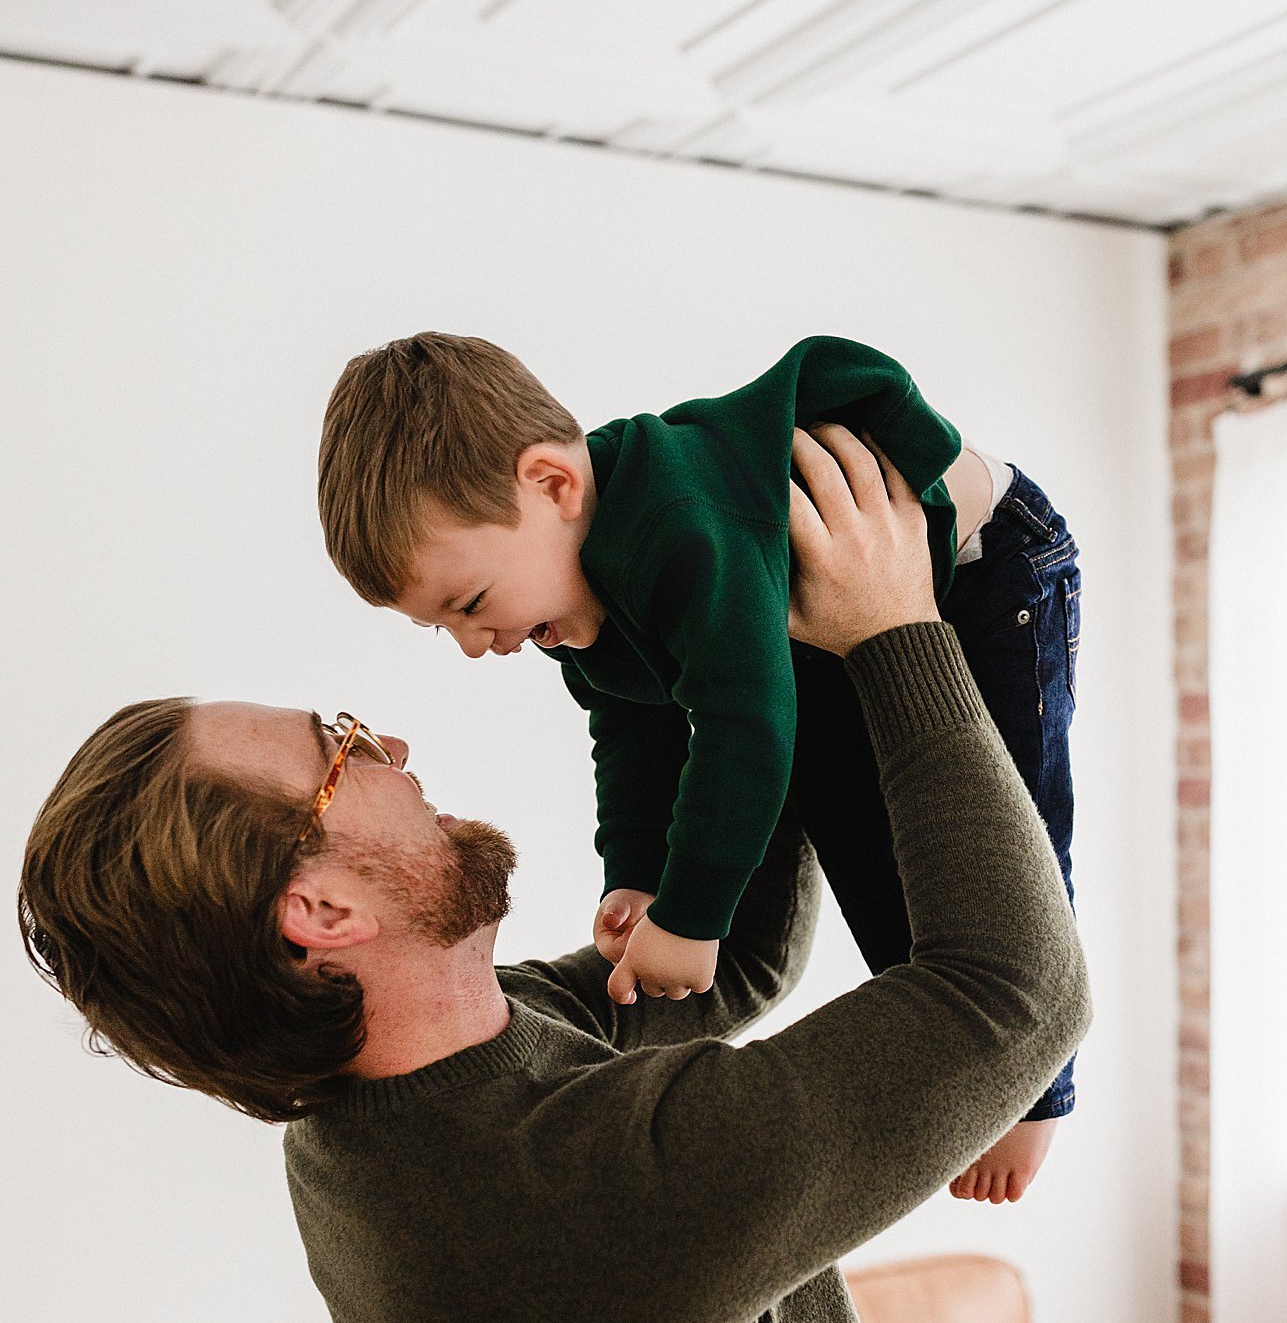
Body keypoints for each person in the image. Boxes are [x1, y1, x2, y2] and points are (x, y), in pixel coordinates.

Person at [20, 428, 1090, 1323]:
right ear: (320, 914)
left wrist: (736, 648)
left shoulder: (395, 1093)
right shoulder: (566, 1193)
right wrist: (893, 629)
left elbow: (724, 974)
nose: (386, 740)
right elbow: (1013, 994)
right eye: (338, 753)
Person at [318, 333, 1083, 1205]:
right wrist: (639, 878)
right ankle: (991, 1074)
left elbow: (743, 730)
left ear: (552, 485)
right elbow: (633, 730)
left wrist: (689, 916)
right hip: (815, 630)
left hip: (988, 572)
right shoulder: (577, 594)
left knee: (1008, 828)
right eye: (439, 629)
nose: (471, 646)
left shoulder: (678, 529)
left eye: (471, 605)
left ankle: (1038, 1092)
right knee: (868, 842)